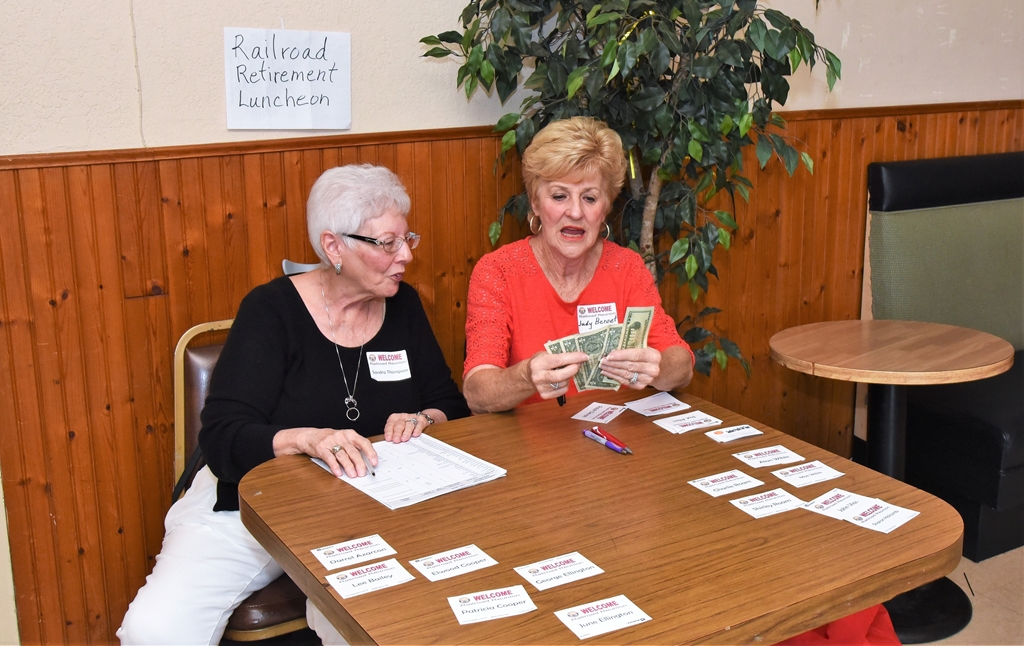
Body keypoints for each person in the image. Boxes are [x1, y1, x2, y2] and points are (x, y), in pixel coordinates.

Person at [118, 164, 470, 645]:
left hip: (372, 506)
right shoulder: (270, 311)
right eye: (388, 243)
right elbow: (224, 437)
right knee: (155, 631)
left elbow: (448, 404)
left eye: (408, 238)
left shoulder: (403, 305)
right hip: (255, 501)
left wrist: (422, 419)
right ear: (333, 247)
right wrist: (304, 438)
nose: (405, 255)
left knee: (369, 629)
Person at [463, 117, 694, 412]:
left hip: (616, 442)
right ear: (535, 203)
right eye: (559, 196)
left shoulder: (627, 268)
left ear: (606, 206)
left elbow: (682, 366)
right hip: (526, 447)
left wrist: (658, 368)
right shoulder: (498, 271)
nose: (574, 212)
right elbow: (477, 392)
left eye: (590, 198)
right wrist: (525, 376)